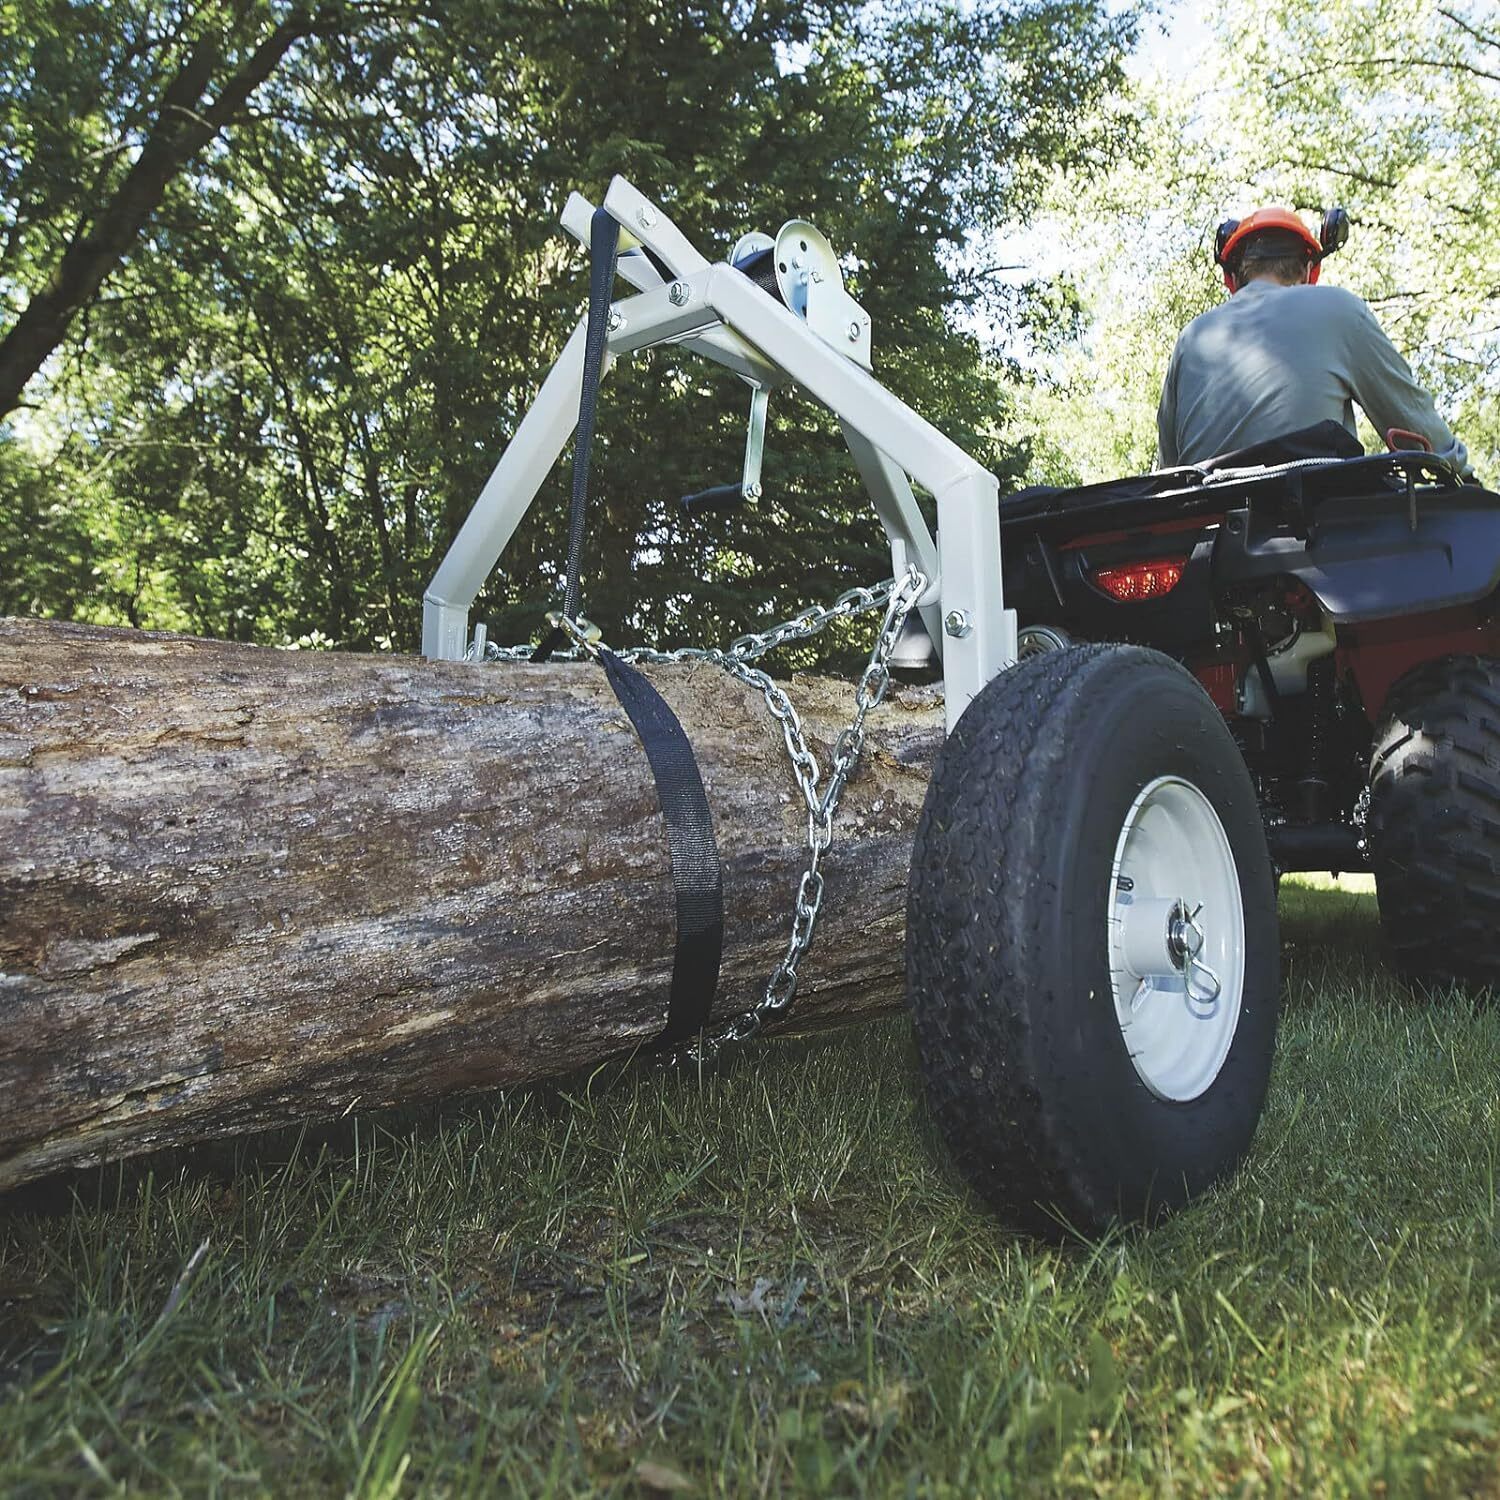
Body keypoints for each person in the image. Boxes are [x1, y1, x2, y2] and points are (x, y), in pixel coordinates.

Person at [1156, 206, 1470, 476]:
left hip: (1208, 537)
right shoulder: (1339, 309)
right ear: (1308, 271)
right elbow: (1419, 428)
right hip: (1319, 535)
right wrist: (1463, 475)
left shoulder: (1191, 338)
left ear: (1234, 279)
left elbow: (1170, 471)